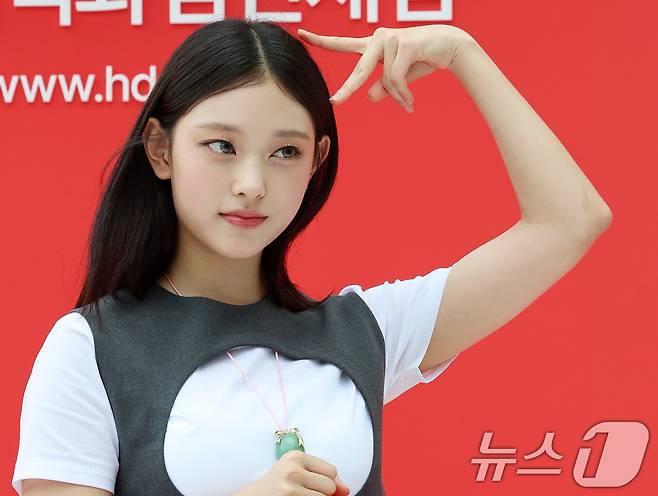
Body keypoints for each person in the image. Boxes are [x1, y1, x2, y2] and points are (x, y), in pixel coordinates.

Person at [12, 18, 612, 496]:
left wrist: (463, 53)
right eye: (221, 145)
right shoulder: (92, 348)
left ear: (317, 161)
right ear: (161, 150)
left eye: (285, 152)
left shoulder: (366, 332)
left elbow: (571, 220)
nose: (251, 184)